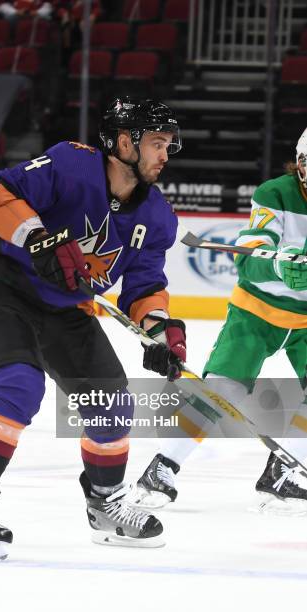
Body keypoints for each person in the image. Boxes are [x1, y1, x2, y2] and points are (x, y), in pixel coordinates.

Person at [0, 96, 186, 559]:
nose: (164, 155)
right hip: (0, 286)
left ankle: (106, 505)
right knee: (18, 385)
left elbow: (145, 284)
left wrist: (158, 330)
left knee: (111, 402)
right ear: (121, 142)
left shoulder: (156, 217)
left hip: (68, 309)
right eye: (156, 143)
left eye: (169, 145)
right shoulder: (70, 164)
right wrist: (37, 238)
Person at [130, 128, 307, 515]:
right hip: (257, 312)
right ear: (301, 164)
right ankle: (162, 467)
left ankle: (288, 471)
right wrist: (279, 263)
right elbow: (249, 255)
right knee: (220, 391)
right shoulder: (274, 193)